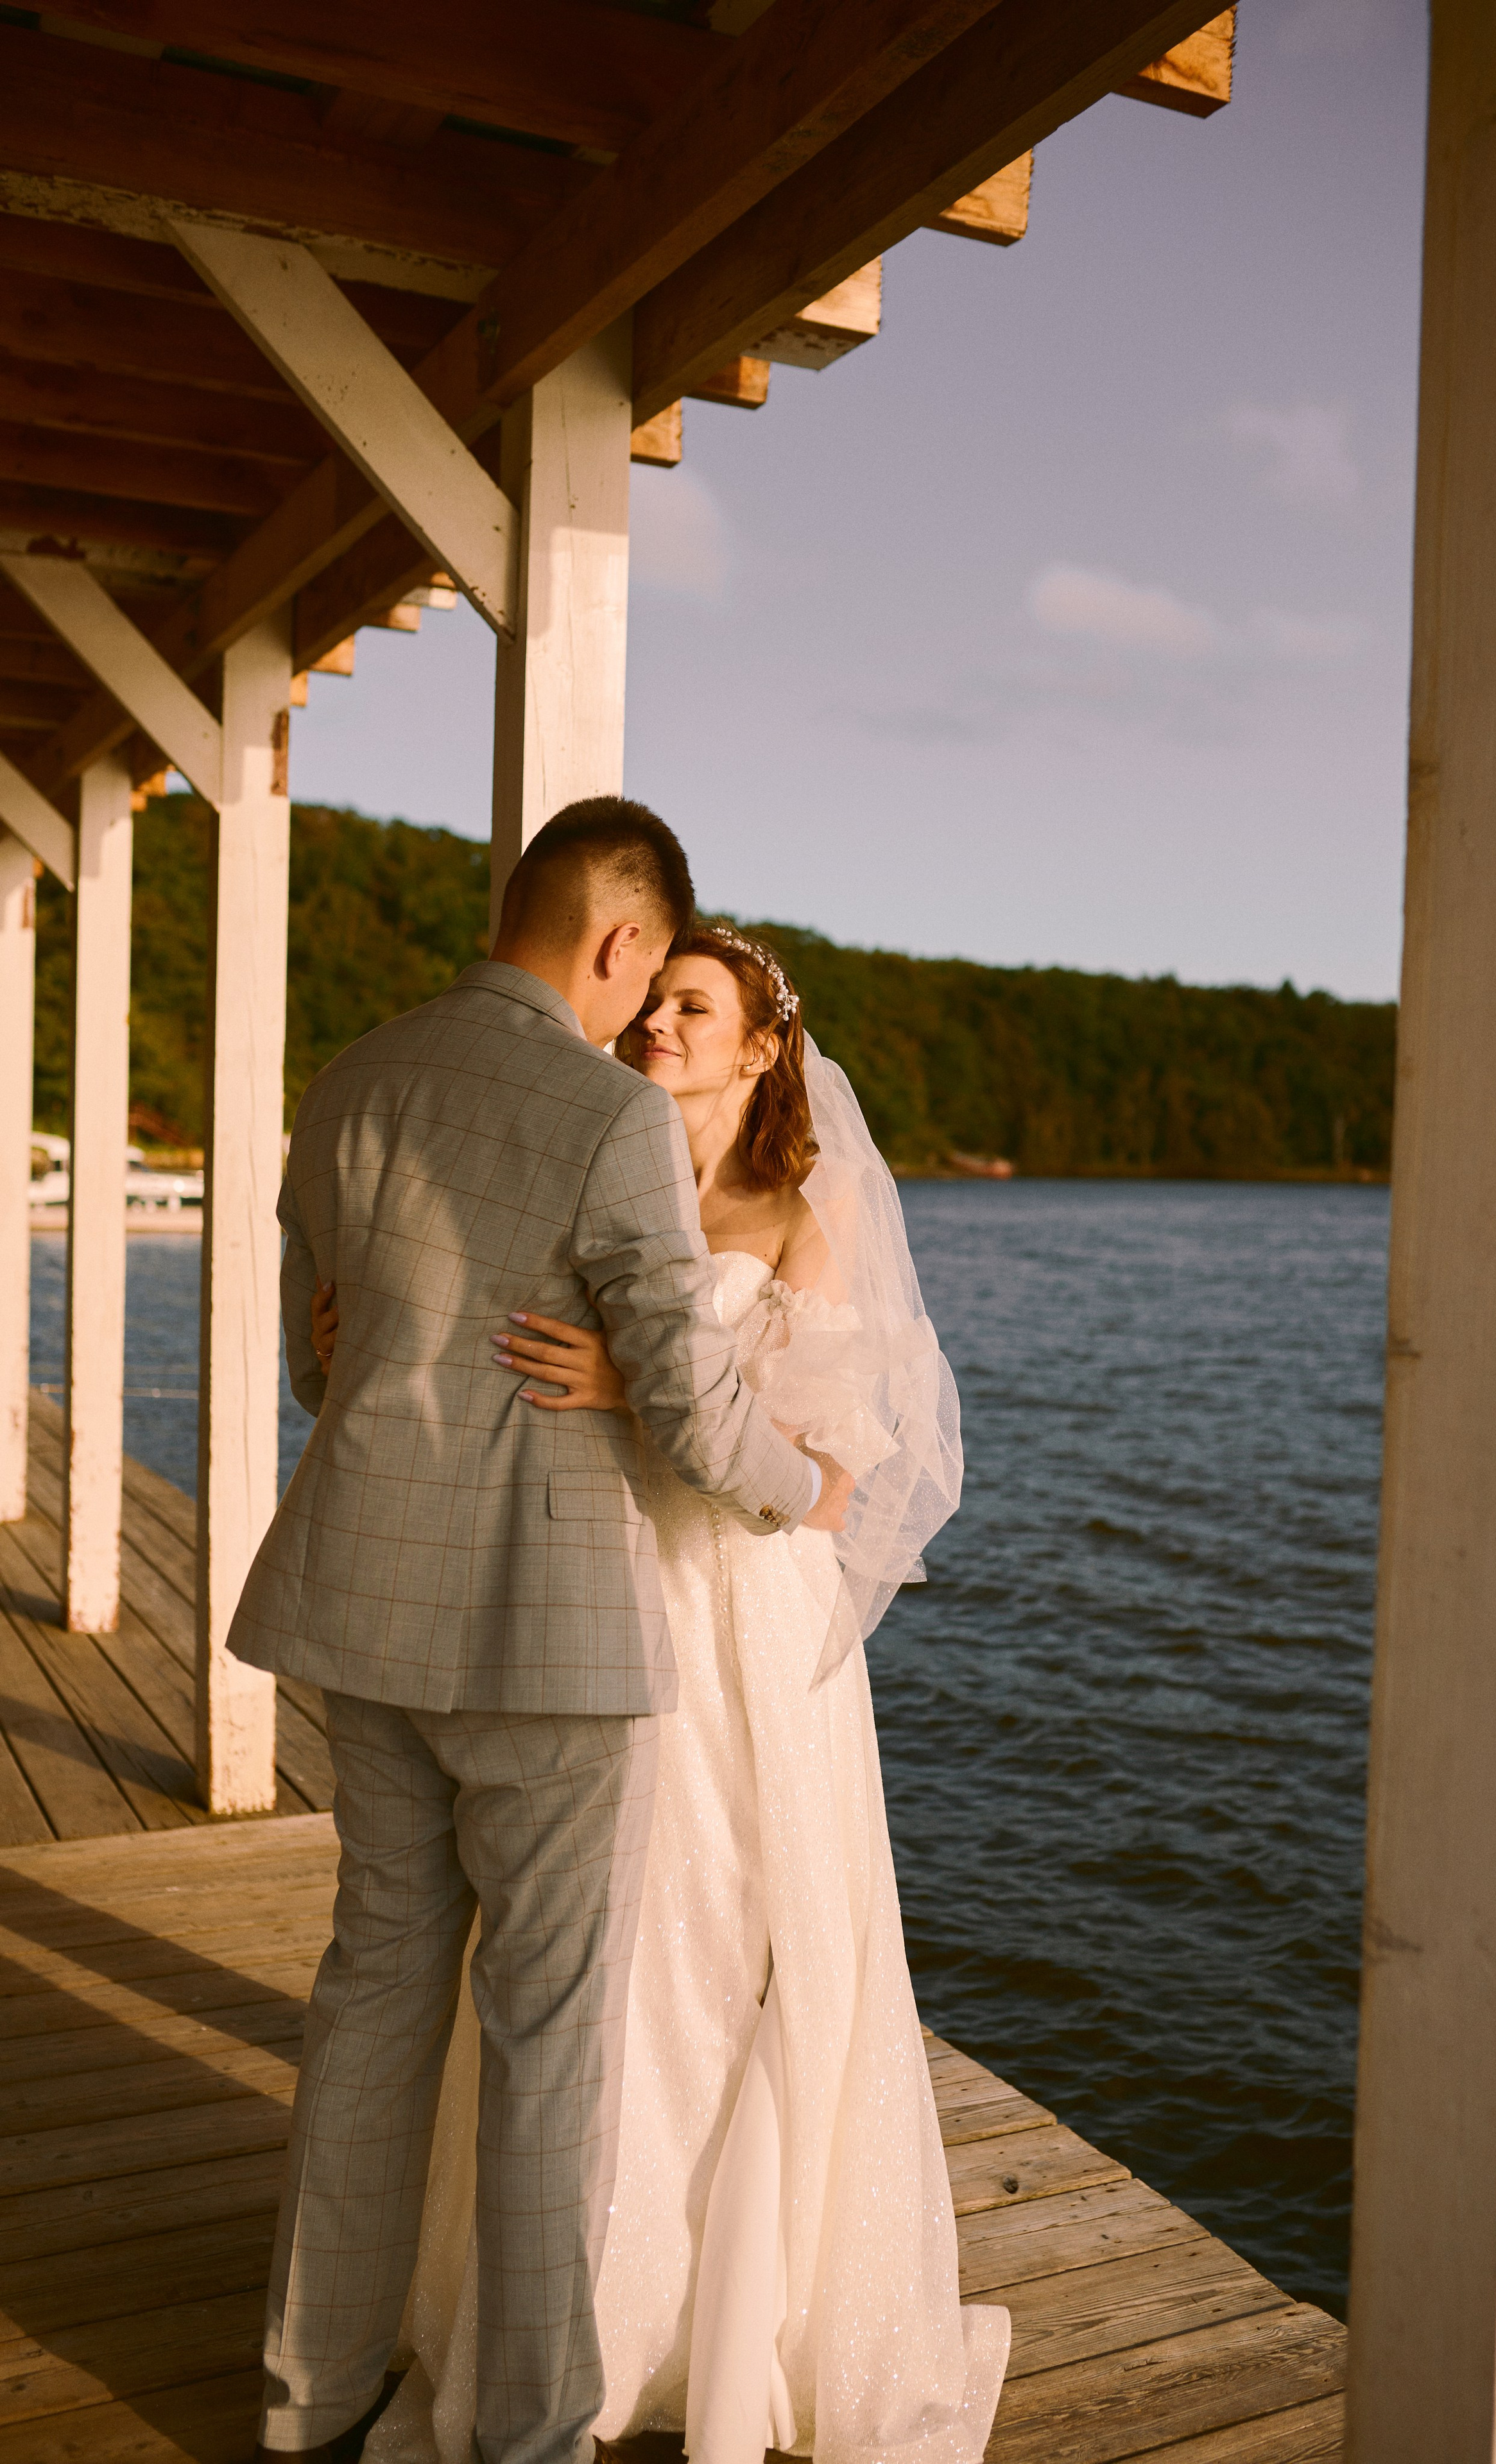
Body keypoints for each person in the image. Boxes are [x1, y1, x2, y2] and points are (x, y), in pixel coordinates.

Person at [313, 928, 1010, 2464]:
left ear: (762, 1048)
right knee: (591, 1963)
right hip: (585, 1596)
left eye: (692, 1009)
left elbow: (837, 1491)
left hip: (738, 1631)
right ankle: (582, 2325)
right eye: (652, 1001)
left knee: (728, 1947)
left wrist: (648, 1395)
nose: (654, 1027)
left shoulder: (796, 1220)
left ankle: (730, 2313)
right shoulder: (590, 1179)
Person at [227, 803, 853, 2464]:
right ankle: (527, 2439)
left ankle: (308, 2402)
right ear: (623, 938)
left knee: (371, 2002)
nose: (635, 1012)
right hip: (550, 1643)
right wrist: (814, 1495)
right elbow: (701, 1422)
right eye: (643, 974)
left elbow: (321, 1363)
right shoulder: (606, 1119)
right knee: (550, 2043)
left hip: (362, 1613)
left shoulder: (349, 1077)